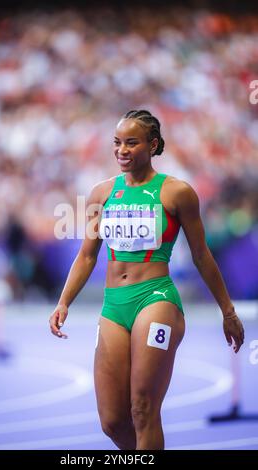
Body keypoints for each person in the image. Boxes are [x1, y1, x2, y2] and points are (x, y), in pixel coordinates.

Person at [49, 109, 245, 450]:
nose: (122, 150)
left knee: (143, 408)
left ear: (153, 145)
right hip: (114, 305)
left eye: (131, 143)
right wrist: (64, 301)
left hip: (155, 300)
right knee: (112, 421)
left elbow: (202, 255)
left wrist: (227, 311)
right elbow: (87, 256)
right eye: (117, 143)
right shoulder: (101, 193)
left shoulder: (176, 192)